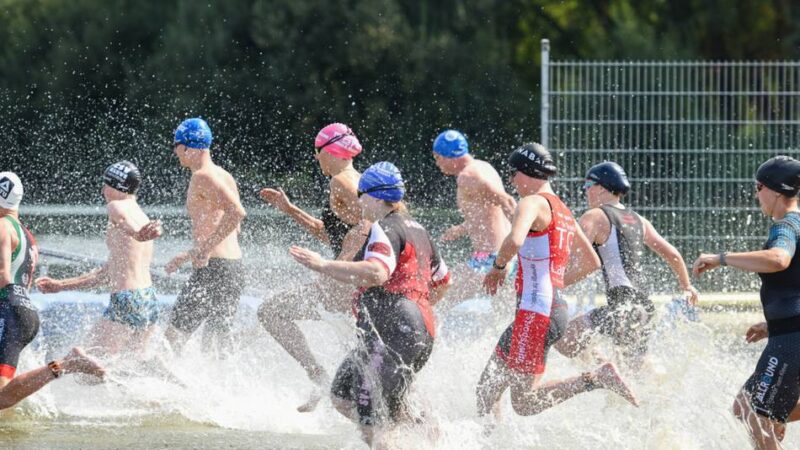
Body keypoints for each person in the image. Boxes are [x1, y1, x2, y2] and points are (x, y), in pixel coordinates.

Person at [289, 162, 451, 446]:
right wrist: (415, 313)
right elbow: (443, 281)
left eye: (361, 195)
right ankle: (427, 432)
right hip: (409, 333)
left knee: (375, 428)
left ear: (376, 196)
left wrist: (323, 264)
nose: (359, 201)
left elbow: (377, 272)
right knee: (342, 397)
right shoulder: (419, 230)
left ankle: (402, 435)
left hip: (392, 335)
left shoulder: (383, 228)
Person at [477, 144, 637, 427]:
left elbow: (514, 240)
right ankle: (490, 440)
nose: (512, 180)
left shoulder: (532, 202)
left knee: (524, 402)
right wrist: (553, 284)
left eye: (513, 173)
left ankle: (596, 378)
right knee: (487, 389)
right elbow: (591, 261)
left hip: (536, 314)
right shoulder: (562, 209)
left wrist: (498, 268)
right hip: (547, 308)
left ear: (528, 171)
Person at [257, 123, 366, 412]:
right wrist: (290, 209)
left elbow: (369, 225)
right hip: (355, 282)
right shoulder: (356, 179)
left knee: (271, 311)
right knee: (361, 353)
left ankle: (320, 379)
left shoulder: (341, 181)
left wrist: (336, 267)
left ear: (330, 150)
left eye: (317, 151)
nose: (316, 158)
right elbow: (330, 233)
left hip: (346, 284)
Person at [693, 155, 800, 449]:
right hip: (788, 334)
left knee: (754, 414)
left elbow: (779, 259)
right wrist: (772, 323)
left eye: (758, 187)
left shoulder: (786, 226)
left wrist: (721, 258)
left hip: (790, 342)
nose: (756, 194)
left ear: (775, 190)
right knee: (744, 407)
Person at [555, 161, 699, 369]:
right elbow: (673, 255)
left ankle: (604, 372)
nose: (585, 192)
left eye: (588, 186)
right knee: (635, 370)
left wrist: (554, 283)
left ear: (601, 188)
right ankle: (618, 373)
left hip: (621, 305)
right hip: (644, 308)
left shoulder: (594, 216)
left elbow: (575, 258)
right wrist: (687, 286)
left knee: (564, 339)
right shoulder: (639, 220)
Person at [36, 161, 163, 357]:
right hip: (149, 299)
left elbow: (123, 221)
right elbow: (106, 274)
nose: (103, 190)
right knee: (131, 365)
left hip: (127, 300)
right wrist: (61, 285)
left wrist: (136, 234)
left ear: (116, 186)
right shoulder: (143, 216)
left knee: (84, 362)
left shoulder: (116, 207)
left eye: (106, 184)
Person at [0, 171, 104, 410]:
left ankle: (67, 363)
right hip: (22, 311)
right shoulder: (27, 235)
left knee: (1, 396)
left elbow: (4, 275)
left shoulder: (2, 226)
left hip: (10, 311)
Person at [164, 118, 247, 352]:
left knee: (170, 342)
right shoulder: (224, 175)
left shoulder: (202, 176)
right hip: (232, 269)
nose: (175, 152)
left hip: (214, 269)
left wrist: (203, 250)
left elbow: (237, 213)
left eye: (176, 145)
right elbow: (235, 228)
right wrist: (195, 253)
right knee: (215, 350)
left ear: (187, 147)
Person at [431, 129, 516, 301]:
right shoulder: (483, 166)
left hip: (490, 260)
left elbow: (507, 202)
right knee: (503, 313)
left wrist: (526, 237)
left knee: (437, 298)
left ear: (450, 156)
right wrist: (460, 229)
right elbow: (488, 213)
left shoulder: (467, 176)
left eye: (438, 157)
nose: (437, 163)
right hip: (504, 256)